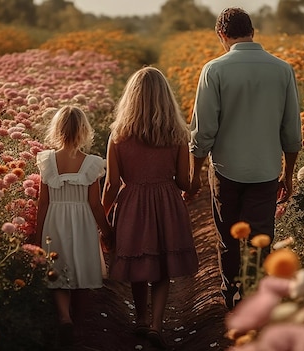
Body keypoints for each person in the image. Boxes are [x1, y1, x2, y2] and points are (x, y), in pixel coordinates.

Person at [186, 7, 302, 310]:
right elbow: (291, 131)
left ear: (221, 34)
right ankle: (257, 296)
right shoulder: (282, 69)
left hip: (226, 170)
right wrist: (288, 175)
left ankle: (232, 298)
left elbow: (204, 131)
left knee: (228, 239)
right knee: (260, 238)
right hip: (265, 170)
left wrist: (195, 173)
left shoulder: (214, 70)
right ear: (252, 31)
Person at [102, 66, 199, 349]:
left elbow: (110, 184)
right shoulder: (178, 134)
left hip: (132, 203)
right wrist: (195, 184)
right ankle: (157, 324)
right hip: (166, 203)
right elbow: (183, 181)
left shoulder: (118, 135)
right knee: (162, 266)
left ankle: (141, 320)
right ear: (165, 98)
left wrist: (102, 221)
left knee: (139, 262)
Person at [34, 105, 114, 349]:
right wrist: (107, 231)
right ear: (84, 132)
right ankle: (78, 324)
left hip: (55, 220)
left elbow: (43, 202)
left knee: (58, 270)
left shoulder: (47, 160)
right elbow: (95, 204)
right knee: (81, 272)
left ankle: (64, 316)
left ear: (57, 130)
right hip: (81, 222)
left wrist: (38, 237)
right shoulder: (90, 163)